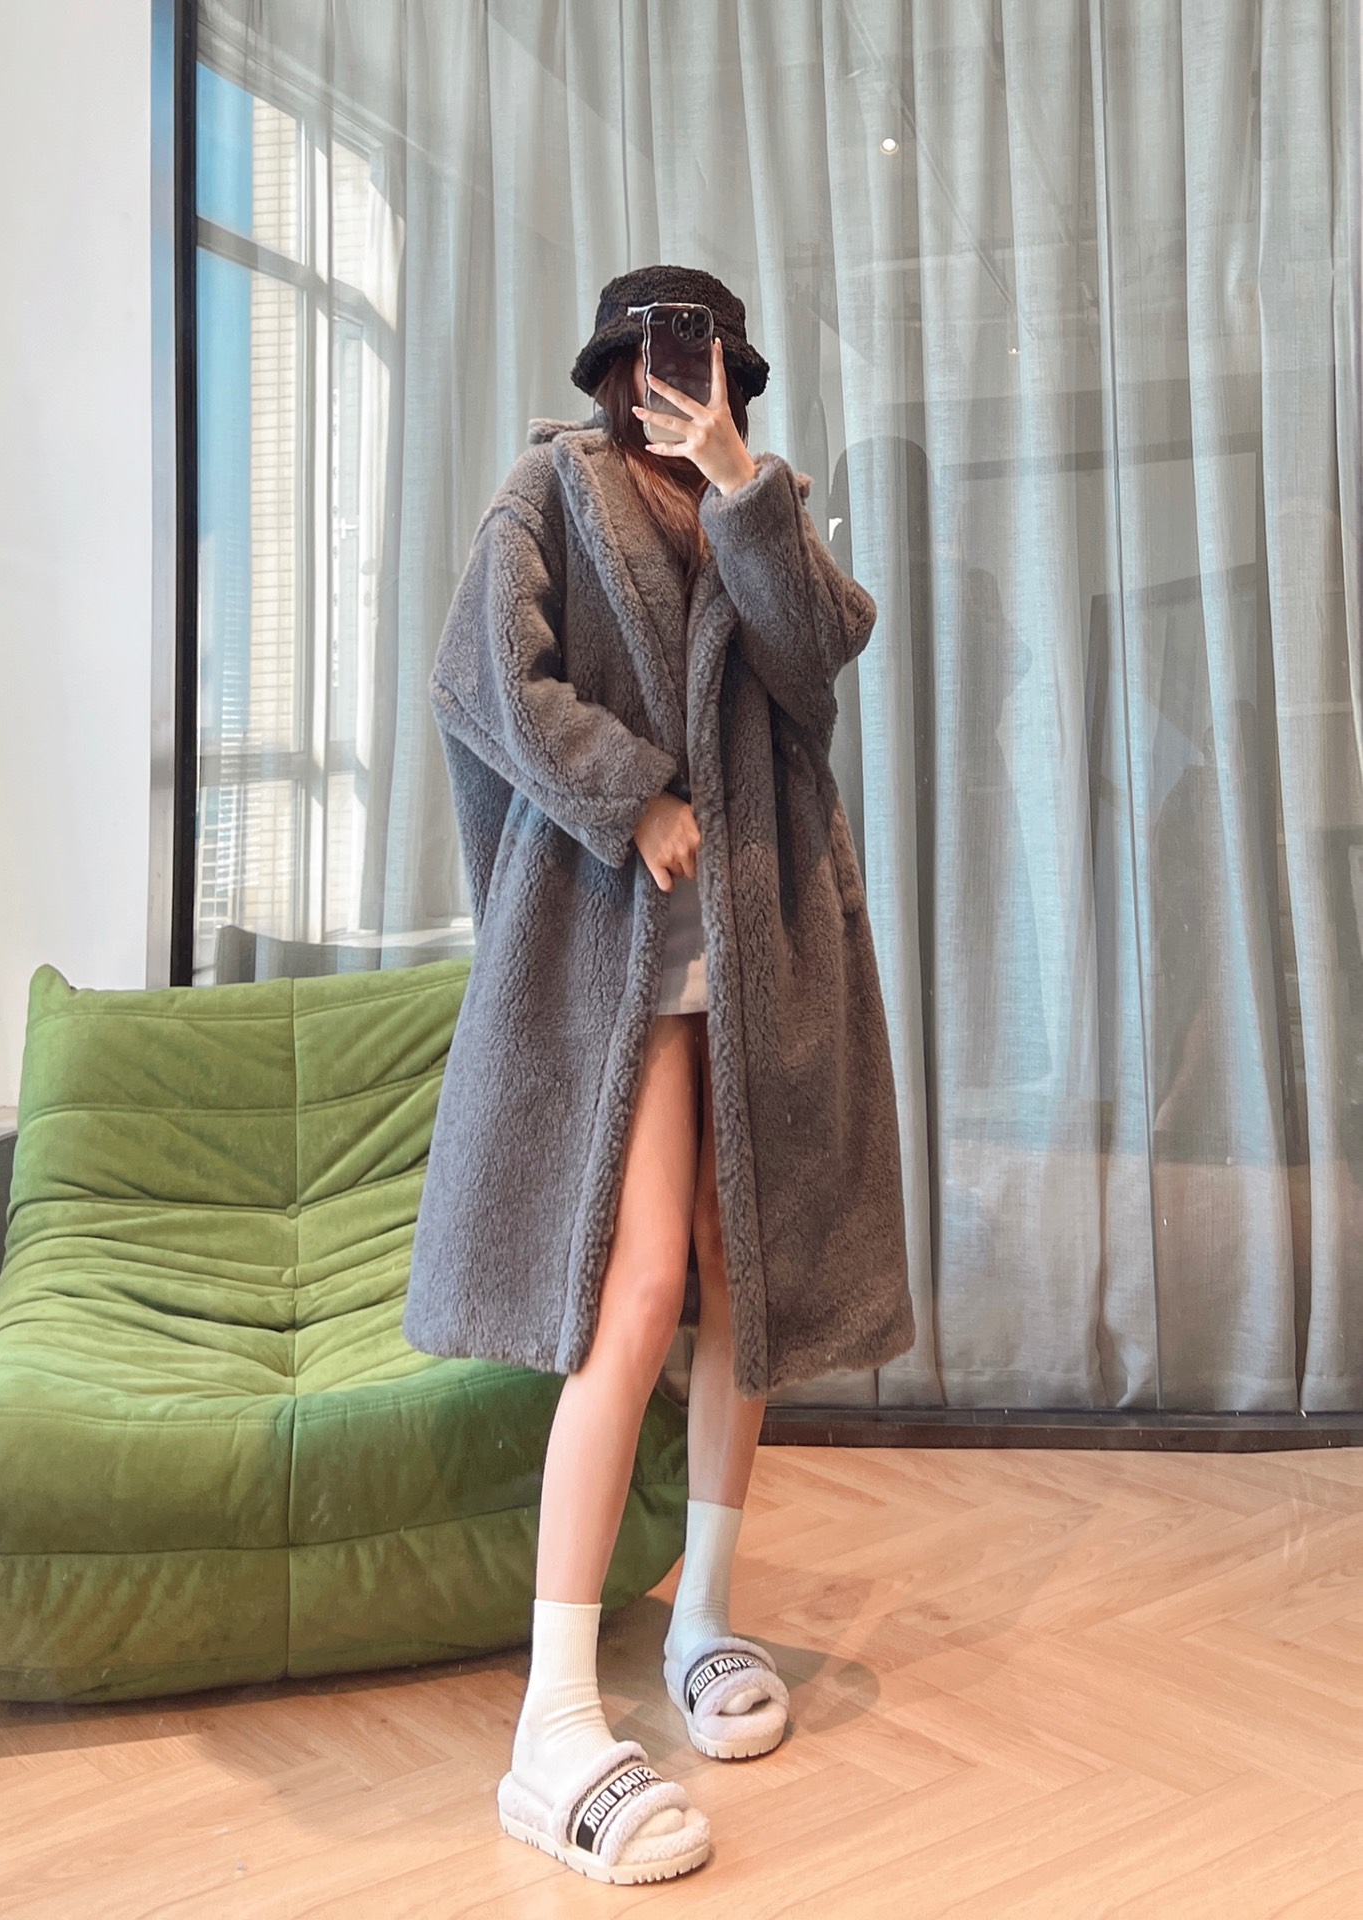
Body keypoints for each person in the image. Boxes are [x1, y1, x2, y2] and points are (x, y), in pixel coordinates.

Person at [403, 264, 913, 1885]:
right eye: (642, 353)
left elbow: (812, 664)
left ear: (733, 372)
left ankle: (704, 1617)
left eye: (695, 355)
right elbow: (484, 679)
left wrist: (745, 486)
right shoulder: (548, 490)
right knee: (634, 1291)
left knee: (738, 1274)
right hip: (611, 958)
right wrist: (631, 796)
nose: (665, 378)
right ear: (608, 366)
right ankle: (553, 1717)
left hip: (754, 956)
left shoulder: (760, 504)